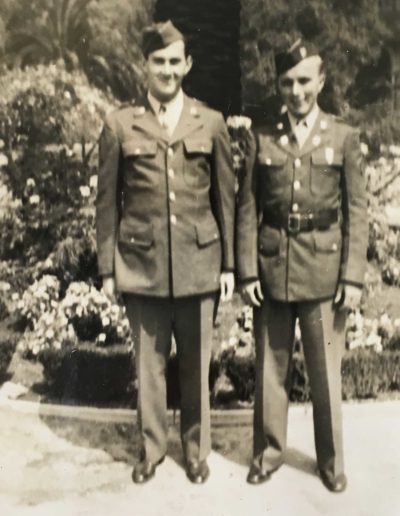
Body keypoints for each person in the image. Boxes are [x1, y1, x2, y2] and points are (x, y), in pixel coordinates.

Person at [96, 20, 235, 484]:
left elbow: (226, 200)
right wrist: (108, 268)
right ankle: (152, 449)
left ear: (188, 65)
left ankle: (196, 452)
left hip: (199, 264)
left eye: (176, 61)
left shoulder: (210, 122)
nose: (168, 70)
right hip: (142, 264)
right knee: (149, 368)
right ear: (145, 66)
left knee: (196, 367)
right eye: (159, 61)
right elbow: (107, 202)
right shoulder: (120, 124)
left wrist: (230, 264)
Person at [236, 39, 367, 492]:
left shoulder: (343, 137)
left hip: (324, 275)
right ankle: (268, 454)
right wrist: (247, 271)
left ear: (322, 81)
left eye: (305, 80)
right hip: (272, 270)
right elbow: (247, 207)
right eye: (288, 82)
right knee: (270, 369)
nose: (297, 91)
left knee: (325, 376)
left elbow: (358, 213)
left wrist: (353, 276)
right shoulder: (262, 137)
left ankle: (331, 463)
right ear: (278, 85)